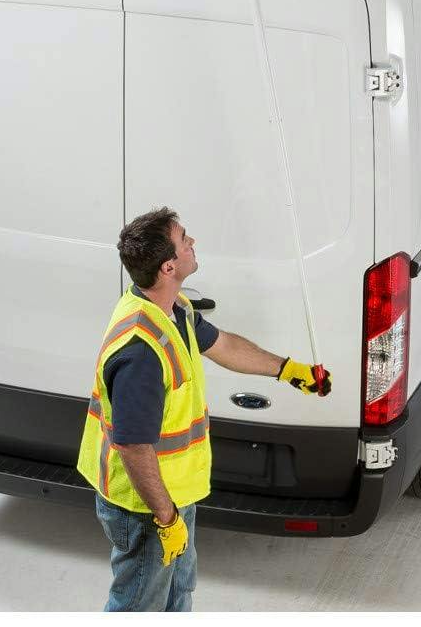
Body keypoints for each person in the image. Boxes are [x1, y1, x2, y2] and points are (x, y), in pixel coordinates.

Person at [76, 206, 331, 612]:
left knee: (178, 594)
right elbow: (133, 447)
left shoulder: (174, 310)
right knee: (138, 607)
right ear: (168, 267)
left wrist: (287, 370)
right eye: (184, 239)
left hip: (173, 494)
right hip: (144, 506)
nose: (193, 242)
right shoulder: (141, 350)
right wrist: (166, 519)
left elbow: (223, 345)